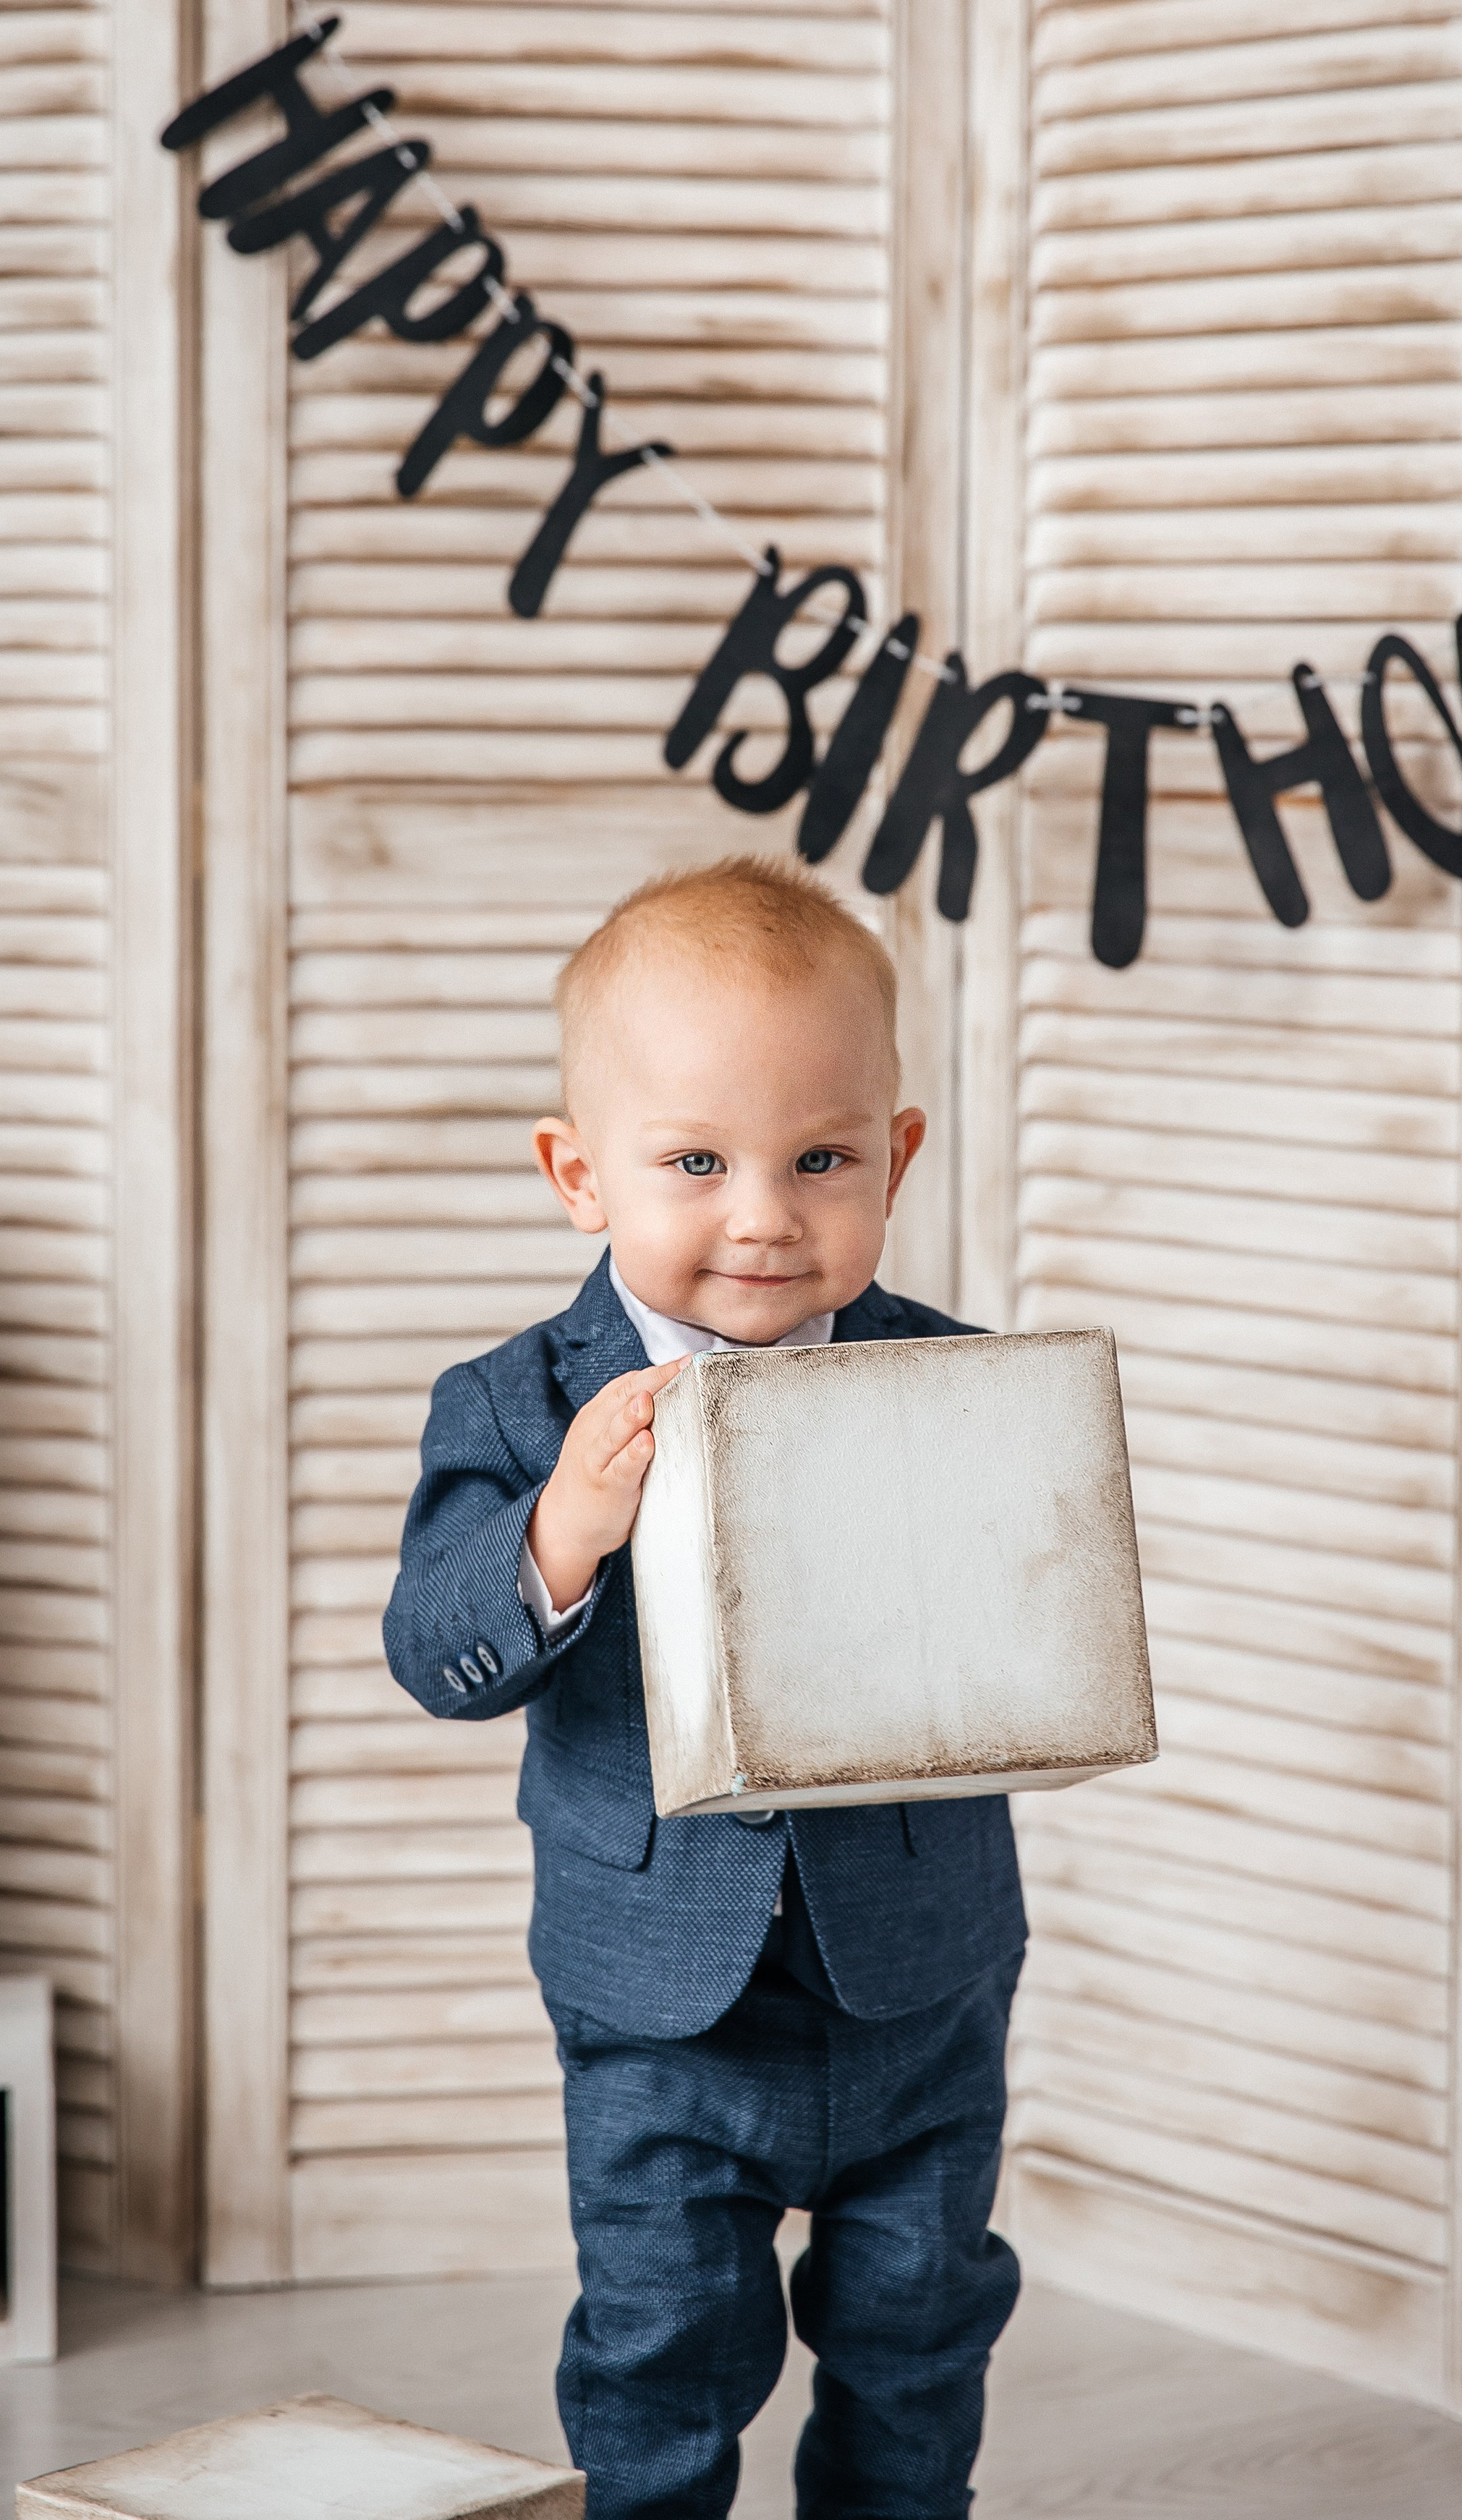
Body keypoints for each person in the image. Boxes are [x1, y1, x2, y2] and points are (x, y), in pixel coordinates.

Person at [384, 854, 1027, 2520]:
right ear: (577, 1174)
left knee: (920, 2329)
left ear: (894, 1157)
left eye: (819, 1159)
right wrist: (564, 1531)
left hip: (918, 1976)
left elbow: (1029, 1621)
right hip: (660, 1997)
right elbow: (432, 1650)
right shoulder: (517, 1405)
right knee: (664, 2347)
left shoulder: (953, 1385)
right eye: (695, 1162)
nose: (762, 1213)